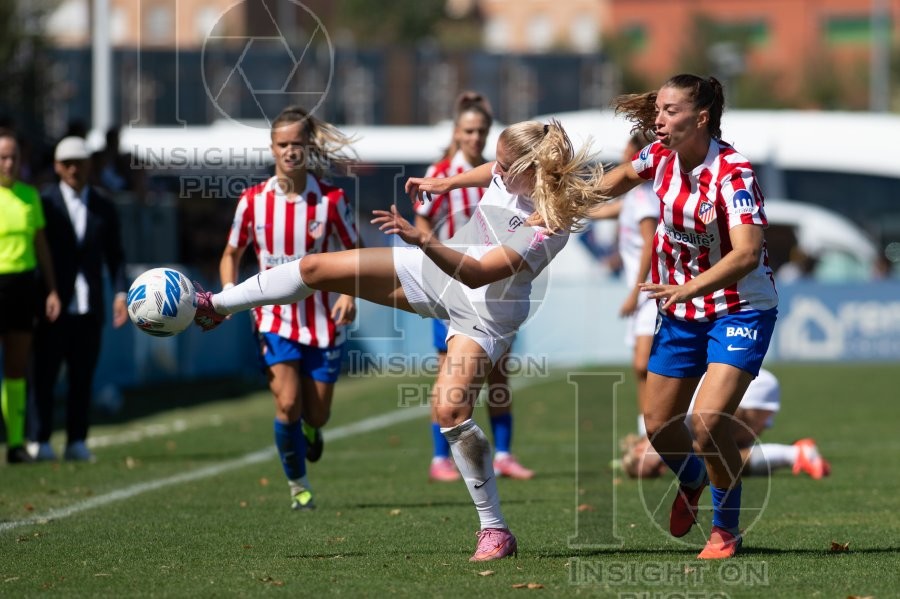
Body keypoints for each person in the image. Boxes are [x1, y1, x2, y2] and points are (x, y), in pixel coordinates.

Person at [192, 119, 605, 561]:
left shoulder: (550, 223)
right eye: (497, 163)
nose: (495, 171)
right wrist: (446, 182)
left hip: (485, 312)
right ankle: (216, 305)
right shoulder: (513, 170)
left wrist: (423, 239)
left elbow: (480, 272)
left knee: (449, 410)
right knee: (316, 268)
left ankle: (495, 530)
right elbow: (489, 171)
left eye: (505, 166)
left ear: (533, 170)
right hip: (442, 273)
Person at [414, 74, 778, 560]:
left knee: (708, 424)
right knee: (657, 426)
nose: (658, 118)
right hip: (681, 308)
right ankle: (690, 478)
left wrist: (684, 287)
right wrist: (559, 207)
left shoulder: (733, 173)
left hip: (739, 309)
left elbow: (748, 254)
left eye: (670, 111)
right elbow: (619, 179)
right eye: (659, 109)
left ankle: (725, 530)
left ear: (702, 118)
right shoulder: (660, 157)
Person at [216, 106, 359, 512]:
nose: (290, 151)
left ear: (308, 147)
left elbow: (355, 252)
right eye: (283, 144)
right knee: (287, 403)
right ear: (272, 148)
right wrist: (229, 294)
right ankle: (298, 485)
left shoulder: (331, 199)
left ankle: (313, 431)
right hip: (273, 320)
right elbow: (231, 253)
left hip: (322, 321)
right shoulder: (253, 201)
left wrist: (348, 294)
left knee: (318, 412)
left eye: (297, 143)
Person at [414, 91, 532, 483]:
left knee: (500, 374)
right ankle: (438, 458)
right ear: (456, 131)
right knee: (447, 369)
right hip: (450, 282)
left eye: (481, 130)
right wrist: (440, 255)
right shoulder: (442, 172)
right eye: (468, 130)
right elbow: (422, 224)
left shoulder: (501, 172)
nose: (475, 137)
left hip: (491, 286)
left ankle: (504, 455)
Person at [31, 136, 129, 462]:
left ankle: (76, 440)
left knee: (82, 376)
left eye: (81, 163)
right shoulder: (44, 203)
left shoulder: (104, 206)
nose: (74, 169)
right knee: (44, 374)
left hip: (90, 307)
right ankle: (40, 438)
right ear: (58, 167)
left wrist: (120, 292)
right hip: (54, 305)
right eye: (68, 163)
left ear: (90, 166)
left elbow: (116, 255)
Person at [620, 369, 831, 480]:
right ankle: (795, 453)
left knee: (715, 455)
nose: (663, 470)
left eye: (656, 467)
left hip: (753, 390)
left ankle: (795, 454)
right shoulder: (657, 431)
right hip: (741, 395)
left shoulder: (655, 426)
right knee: (721, 462)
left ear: (640, 449)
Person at [588, 131, 658, 434]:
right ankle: (648, 432)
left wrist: (634, 292)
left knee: (646, 365)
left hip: (652, 292)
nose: (622, 154)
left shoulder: (645, 197)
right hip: (643, 293)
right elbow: (599, 211)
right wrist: (559, 206)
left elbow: (650, 244)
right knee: (641, 368)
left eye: (627, 148)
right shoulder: (633, 196)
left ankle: (659, 430)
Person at [0, 129, 61, 464]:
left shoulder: (29, 196)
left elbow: (41, 246)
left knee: (17, 367)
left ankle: (14, 443)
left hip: (23, 286)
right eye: (3, 157)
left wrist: (51, 289)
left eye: (14, 157)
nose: (9, 163)